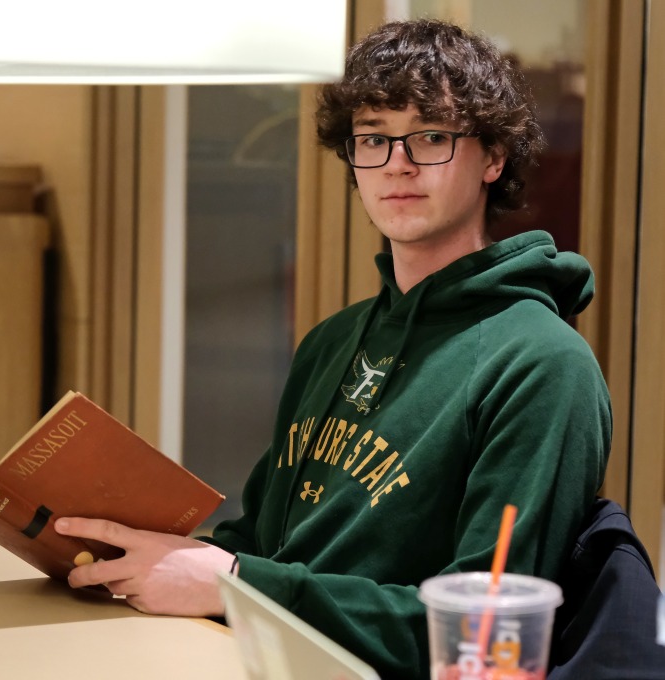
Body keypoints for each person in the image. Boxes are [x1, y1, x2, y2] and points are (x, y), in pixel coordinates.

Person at [54, 19, 612, 680]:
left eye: (431, 137)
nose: (397, 164)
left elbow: (483, 638)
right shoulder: (332, 342)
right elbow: (262, 544)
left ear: (493, 158)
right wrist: (158, 560)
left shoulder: (545, 366)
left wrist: (233, 583)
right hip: (251, 658)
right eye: (373, 139)